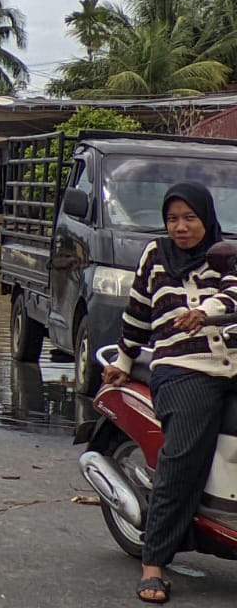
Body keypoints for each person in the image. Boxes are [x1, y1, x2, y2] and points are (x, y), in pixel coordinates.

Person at [103, 182, 237, 603]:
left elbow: (235, 293)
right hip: (183, 369)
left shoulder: (227, 254)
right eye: (173, 219)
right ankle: (154, 563)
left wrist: (208, 311)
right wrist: (123, 361)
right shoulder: (155, 256)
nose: (181, 227)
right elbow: (138, 313)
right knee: (183, 457)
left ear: (206, 219)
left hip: (231, 366)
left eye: (189, 219)